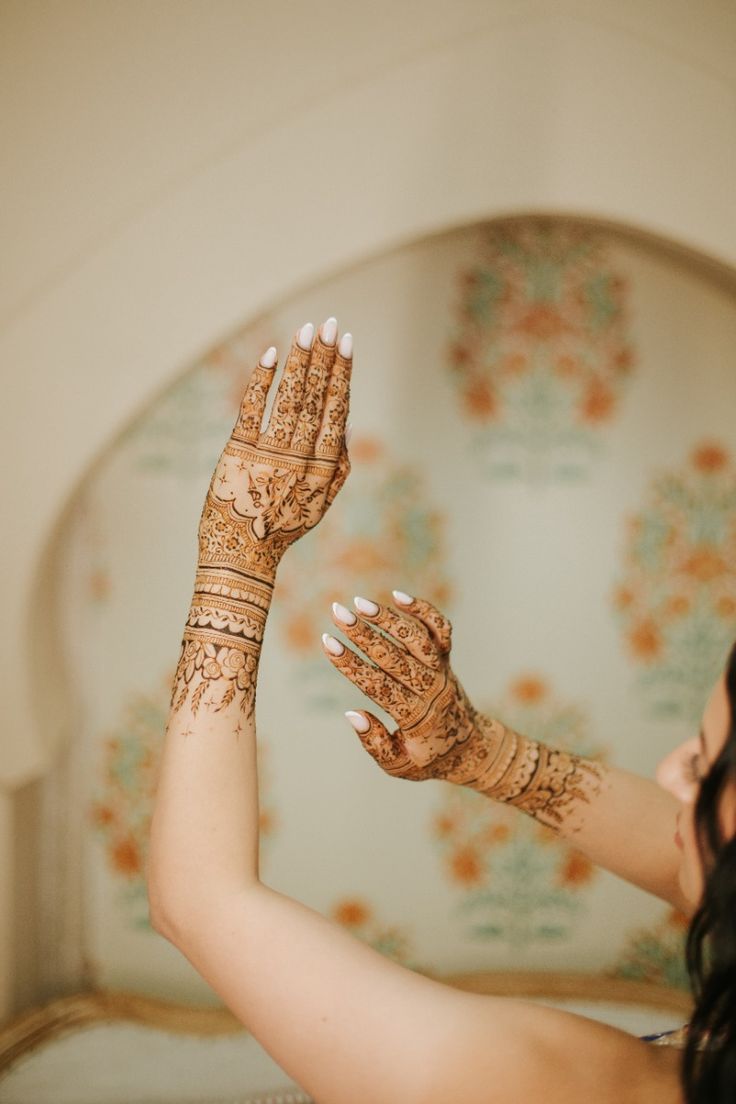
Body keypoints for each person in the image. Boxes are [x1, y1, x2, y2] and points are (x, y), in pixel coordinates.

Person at [148, 316, 733, 1104]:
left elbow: (198, 900)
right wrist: (479, 753)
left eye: (704, 765)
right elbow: (685, 857)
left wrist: (236, 555)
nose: (671, 773)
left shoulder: (553, 1082)